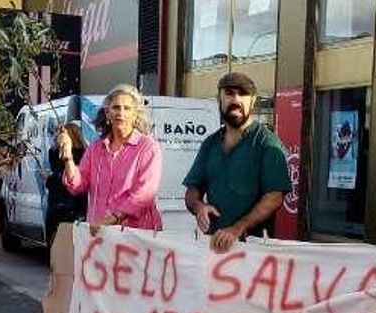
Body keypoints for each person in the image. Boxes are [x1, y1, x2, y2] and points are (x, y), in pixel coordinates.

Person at [182, 72, 291, 253]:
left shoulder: (266, 143)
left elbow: (274, 197)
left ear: (253, 100)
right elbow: (193, 190)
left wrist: (237, 228)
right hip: (212, 247)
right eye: (229, 93)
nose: (236, 99)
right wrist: (199, 207)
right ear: (220, 98)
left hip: (253, 250)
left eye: (243, 94)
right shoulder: (210, 143)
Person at [59, 84, 162, 231]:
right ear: (107, 113)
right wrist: (68, 157)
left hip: (135, 235)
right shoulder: (96, 148)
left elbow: (145, 192)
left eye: (127, 108)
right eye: (116, 107)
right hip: (100, 234)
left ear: (135, 115)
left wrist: (113, 218)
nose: (121, 113)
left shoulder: (147, 146)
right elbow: (78, 186)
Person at [46, 121, 87, 239]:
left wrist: (50, 179)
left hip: (63, 205)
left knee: (58, 242)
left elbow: (62, 178)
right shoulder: (85, 152)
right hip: (76, 207)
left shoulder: (64, 154)